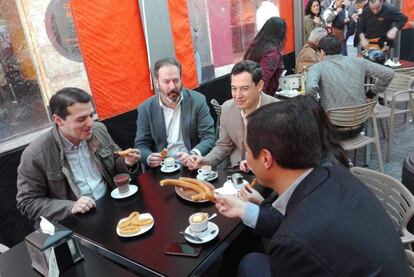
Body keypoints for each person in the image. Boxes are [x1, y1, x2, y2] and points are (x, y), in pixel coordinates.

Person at [215, 100, 409, 276]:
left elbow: (298, 235)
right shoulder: (333, 172)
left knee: (249, 262)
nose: (245, 158)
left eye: (247, 151)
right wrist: (245, 209)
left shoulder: (291, 244)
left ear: (266, 158)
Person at [16, 88, 140, 222]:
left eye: (91, 116)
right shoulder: (35, 154)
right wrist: (70, 207)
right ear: (58, 120)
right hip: (75, 222)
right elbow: (27, 202)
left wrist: (126, 163)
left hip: (113, 207)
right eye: (81, 119)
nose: (90, 123)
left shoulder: (99, 130)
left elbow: (115, 164)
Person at [188, 60, 277, 170]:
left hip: (269, 172)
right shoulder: (227, 108)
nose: (237, 95)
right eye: (234, 88)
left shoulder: (277, 110)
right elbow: (224, 146)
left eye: (244, 88)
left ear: (259, 86)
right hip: (237, 170)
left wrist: (256, 163)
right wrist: (206, 160)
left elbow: (283, 153)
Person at [134, 58, 216, 168]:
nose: (172, 86)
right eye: (166, 82)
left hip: (192, 165)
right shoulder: (146, 108)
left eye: (176, 80)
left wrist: (194, 154)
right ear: (157, 83)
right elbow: (141, 144)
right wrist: (149, 157)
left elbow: (209, 136)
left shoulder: (198, 101)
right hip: (162, 168)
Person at [306, 35, 394, 110]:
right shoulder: (359, 62)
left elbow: (310, 88)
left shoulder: (317, 67)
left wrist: (316, 105)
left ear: (322, 52)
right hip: (359, 117)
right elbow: (389, 73)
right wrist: (371, 93)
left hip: (332, 120)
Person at [244, 17, 286, 96]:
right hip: (258, 97)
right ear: (281, 34)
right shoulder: (272, 52)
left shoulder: (256, 44)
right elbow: (263, 81)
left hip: (248, 91)